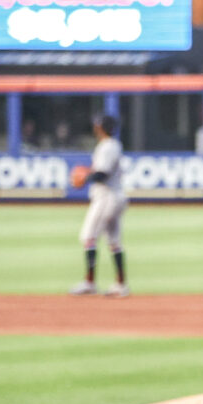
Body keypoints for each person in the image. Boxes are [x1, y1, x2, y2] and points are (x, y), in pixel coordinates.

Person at [69, 115, 128, 297]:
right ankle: (120, 284)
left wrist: (85, 176)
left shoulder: (107, 146)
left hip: (106, 197)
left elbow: (102, 174)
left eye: (97, 125)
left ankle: (89, 282)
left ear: (102, 128)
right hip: (116, 196)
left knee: (89, 237)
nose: (95, 128)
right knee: (114, 241)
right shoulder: (114, 145)